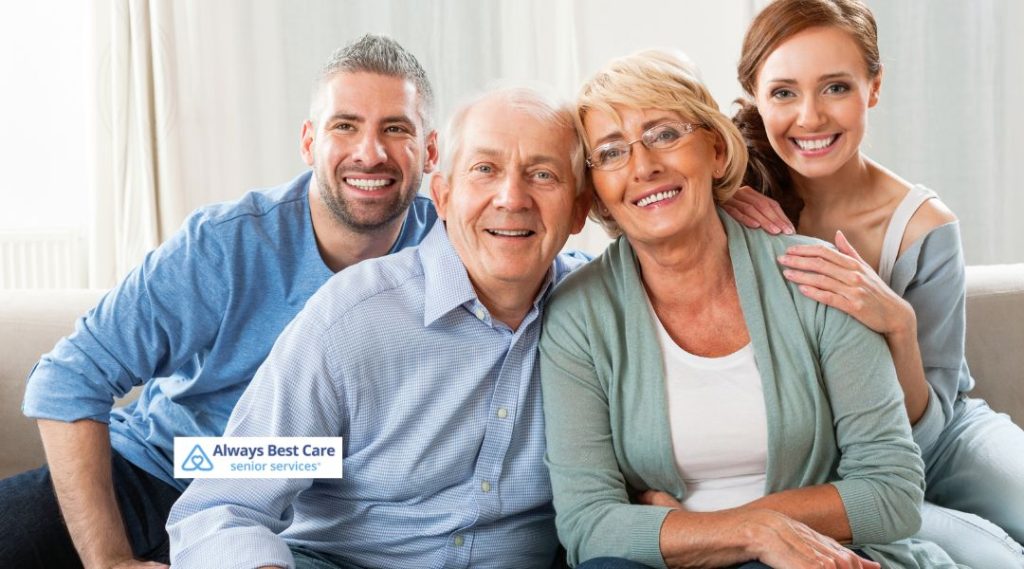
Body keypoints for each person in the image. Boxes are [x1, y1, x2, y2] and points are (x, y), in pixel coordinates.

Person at [1, 35, 439, 568]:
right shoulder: (226, 244)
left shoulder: (454, 250)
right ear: (308, 142)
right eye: (344, 125)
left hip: (322, 526)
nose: (370, 152)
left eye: (396, 128)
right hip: (158, 478)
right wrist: (109, 559)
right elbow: (68, 378)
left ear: (431, 151)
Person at [538, 49, 961, 569]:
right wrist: (748, 532)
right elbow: (587, 525)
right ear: (598, 194)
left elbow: (891, 494)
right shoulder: (578, 315)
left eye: (665, 135)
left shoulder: (816, 277)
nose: (643, 166)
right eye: (610, 153)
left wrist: (740, 532)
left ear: (716, 151)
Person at [166, 86, 590, 569]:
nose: (512, 198)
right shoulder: (350, 320)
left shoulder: (599, 314)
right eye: (485, 170)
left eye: (542, 174)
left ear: (577, 211)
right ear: (445, 196)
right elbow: (223, 508)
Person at [726, 0, 1024, 565]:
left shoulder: (923, 227)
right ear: (757, 98)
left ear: (874, 87)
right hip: (839, 467)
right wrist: (717, 196)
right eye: (784, 92)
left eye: (835, 87)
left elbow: (929, 432)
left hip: (940, 437)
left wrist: (899, 326)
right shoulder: (735, 207)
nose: (810, 118)